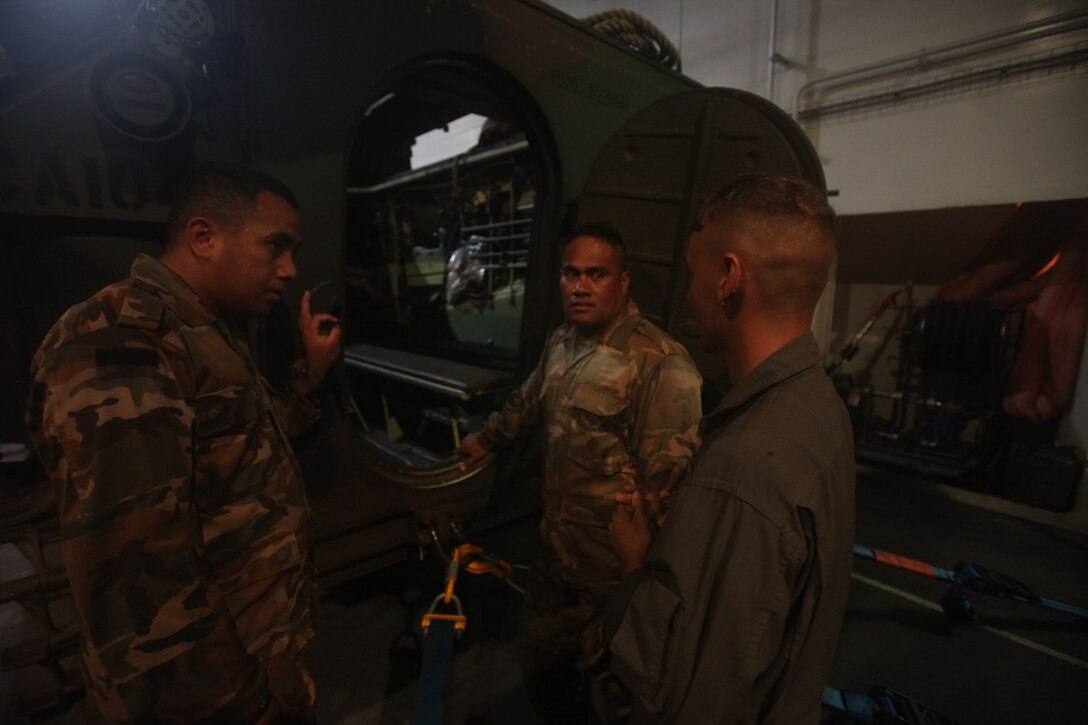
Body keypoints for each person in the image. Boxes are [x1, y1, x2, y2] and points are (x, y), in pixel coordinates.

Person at [25, 162, 342, 722]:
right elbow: (136, 574)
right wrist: (240, 704)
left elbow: (255, 449)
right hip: (208, 693)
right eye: (276, 246)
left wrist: (312, 373)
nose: (290, 269)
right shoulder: (120, 340)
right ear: (203, 237)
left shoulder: (203, 330)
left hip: (257, 650)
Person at [608, 173, 856, 723]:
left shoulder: (744, 469)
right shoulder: (817, 406)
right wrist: (699, 533)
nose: (690, 293)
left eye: (696, 271)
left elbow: (689, 700)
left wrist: (636, 564)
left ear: (727, 277)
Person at [457, 223, 702, 721]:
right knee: (541, 669)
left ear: (624, 281)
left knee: (615, 697)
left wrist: (648, 584)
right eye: (570, 273)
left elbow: (669, 494)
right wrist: (486, 439)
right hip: (557, 559)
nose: (580, 286)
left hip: (615, 579)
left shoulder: (660, 362)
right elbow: (527, 404)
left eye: (596, 274)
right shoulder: (563, 343)